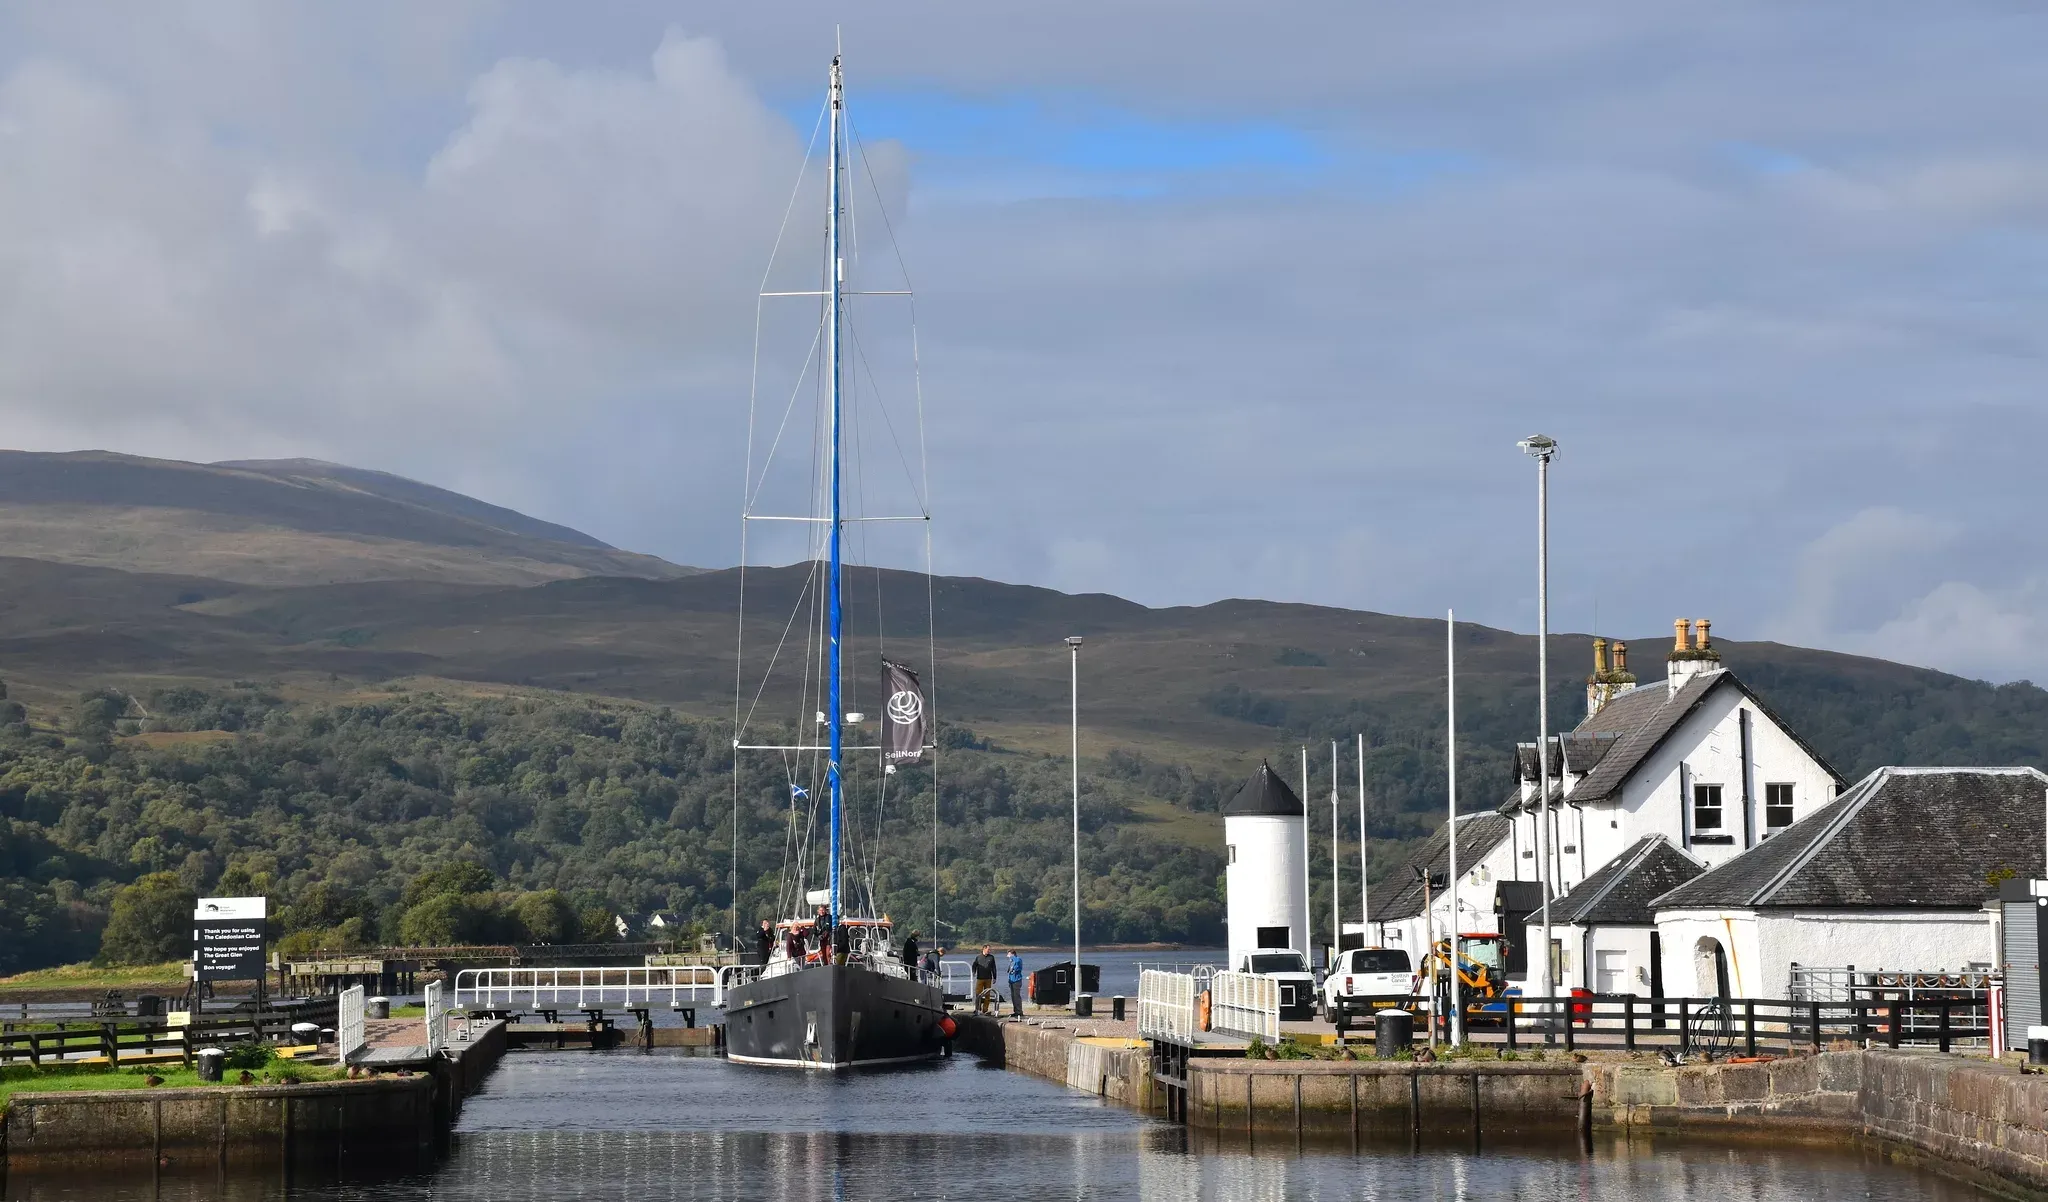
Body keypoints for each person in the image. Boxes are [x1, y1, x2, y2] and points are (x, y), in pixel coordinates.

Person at [971, 945, 998, 1015]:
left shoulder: (991, 957)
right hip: (980, 978)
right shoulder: (978, 957)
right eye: (988, 949)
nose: (989, 951)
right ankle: (977, 1009)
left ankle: (985, 1010)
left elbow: (994, 968)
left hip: (988, 978)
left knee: (987, 995)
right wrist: (973, 972)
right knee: (978, 994)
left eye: (989, 949)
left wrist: (995, 977)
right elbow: (974, 965)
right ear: (984, 949)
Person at [1006, 949, 1025, 1018]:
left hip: (1017, 980)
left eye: (1008, 954)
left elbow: (1018, 966)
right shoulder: (1011, 961)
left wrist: (1012, 957)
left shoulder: (1018, 959)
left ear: (1012, 954)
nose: (1007, 956)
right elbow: (1010, 971)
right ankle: (1016, 1011)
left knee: (1017, 996)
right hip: (1011, 980)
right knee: (1013, 996)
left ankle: (1019, 1011)